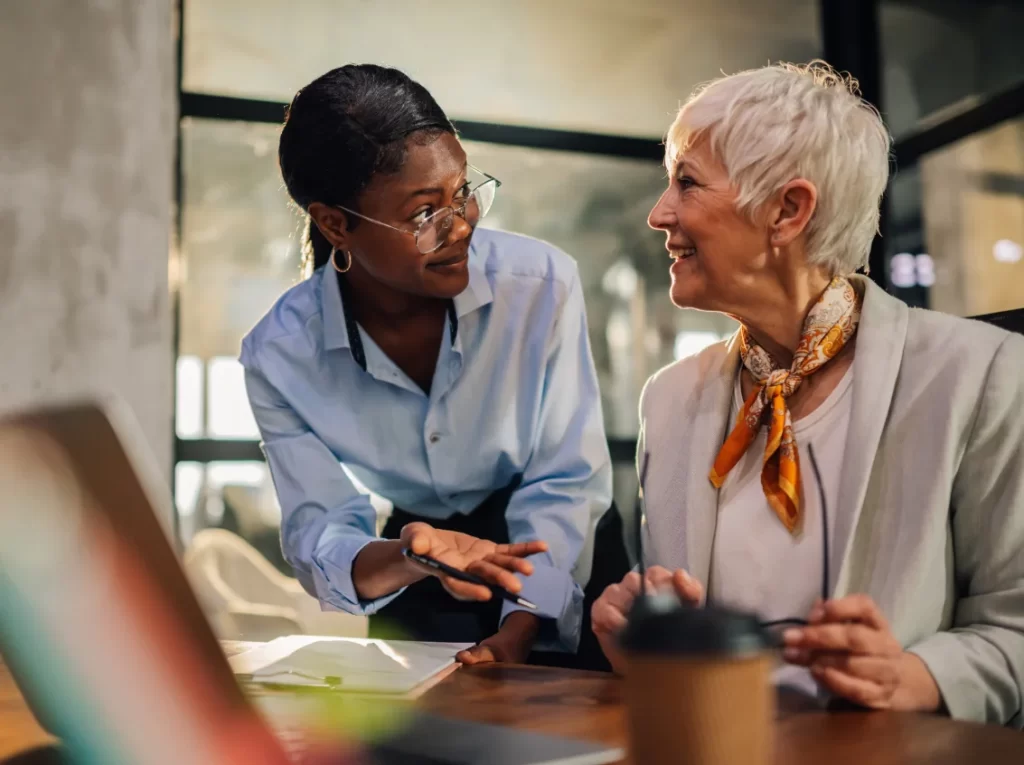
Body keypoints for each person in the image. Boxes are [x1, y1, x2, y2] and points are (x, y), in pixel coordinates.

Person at [592, 62, 1024, 726]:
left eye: (686, 181)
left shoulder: (984, 372)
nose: (658, 214)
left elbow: (1015, 627)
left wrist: (912, 675)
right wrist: (645, 634)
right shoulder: (669, 398)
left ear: (787, 210)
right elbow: (679, 625)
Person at [240, 64, 620, 668]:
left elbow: (563, 481)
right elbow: (321, 529)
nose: (462, 224)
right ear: (336, 223)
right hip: (422, 559)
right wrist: (409, 559)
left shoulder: (540, 285)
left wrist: (522, 626)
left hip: (561, 560)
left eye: (464, 190)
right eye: (424, 213)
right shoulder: (280, 355)